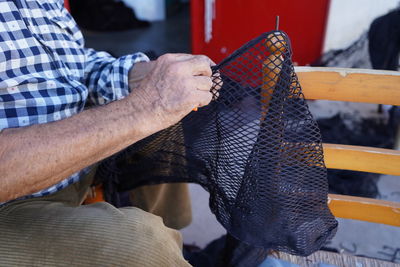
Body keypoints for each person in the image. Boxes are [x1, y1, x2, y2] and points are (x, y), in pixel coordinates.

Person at [0, 1, 214, 266]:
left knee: (166, 118)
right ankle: (162, 252)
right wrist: (145, 106)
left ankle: (176, 246)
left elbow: (76, 65)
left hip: (68, 161)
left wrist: (139, 77)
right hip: (9, 199)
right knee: (139, 246)